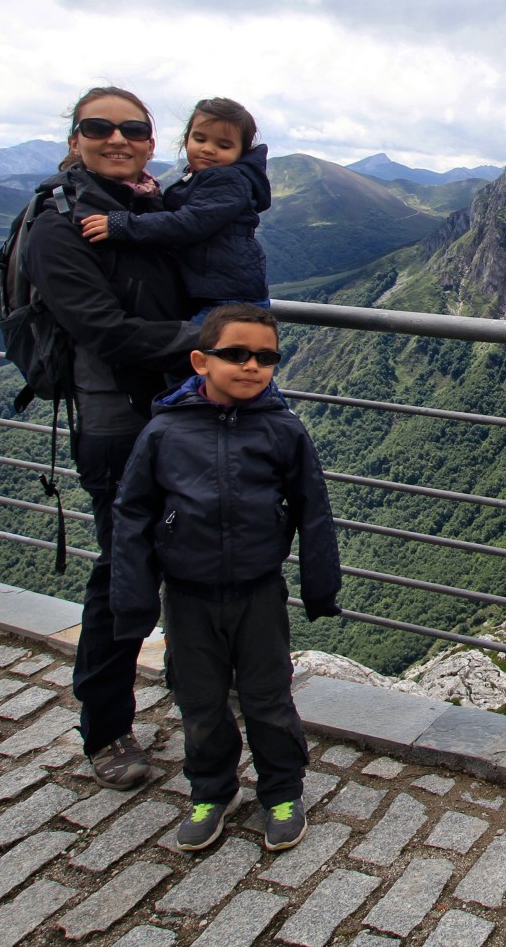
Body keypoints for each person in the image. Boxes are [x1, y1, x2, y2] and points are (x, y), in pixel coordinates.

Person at [108, 304, 342, 853]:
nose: (251, 365)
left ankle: (282, 791)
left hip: (259, 589)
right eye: (235, 354)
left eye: (265, 357)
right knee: (199, 698)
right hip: (185, 593)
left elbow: (314, 509)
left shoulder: (283, 430)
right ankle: (211, 791)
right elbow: (132, 514)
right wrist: (132, 600)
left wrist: (320, 586)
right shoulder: (163, 432)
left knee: (267, 697)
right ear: (200, 361)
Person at [23, 87, 197, 789]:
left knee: (197, 555)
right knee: (125, 577)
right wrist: (210, 342)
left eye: (134, 128)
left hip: (181, 413)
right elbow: (103, 330)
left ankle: (198, 687)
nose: (118, 138)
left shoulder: (148, 208)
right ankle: (106, 729)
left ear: (151, 142)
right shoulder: (57, 225)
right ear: (74, 138)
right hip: (117, 426)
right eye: (100, 127)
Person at [81, 97, 272, 313]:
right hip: (216, 290)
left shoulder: (228, 181)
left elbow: (189, 222)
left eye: (223, 145)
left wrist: (124, 225)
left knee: (204, 346)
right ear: (187, 139)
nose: (208, 149)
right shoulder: (200, 177)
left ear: (241, 152)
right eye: (200, 139)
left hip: (227, 298)